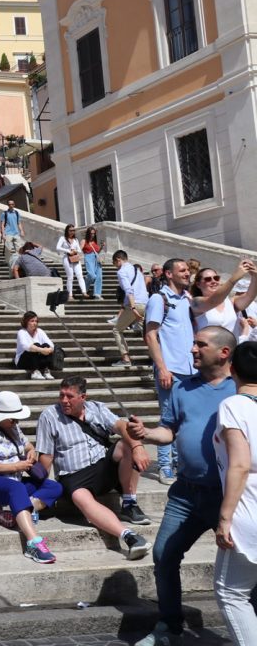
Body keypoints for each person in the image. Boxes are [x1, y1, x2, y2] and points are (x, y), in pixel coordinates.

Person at [125, 326, 236, 646]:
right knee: (164, 554)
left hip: (228, 496)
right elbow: (168, 432)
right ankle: (169, 626)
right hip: (186, 494)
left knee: (247, 561)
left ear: (224, 352)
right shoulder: (182, 388)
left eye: (201, 345)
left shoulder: (241, 389)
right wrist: (145, 433)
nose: (193, 350)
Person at [146, 259, 251, 483]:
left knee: (187, 417)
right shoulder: (159, 298)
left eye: (188, 270)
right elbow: (150, 334)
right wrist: (162, 368)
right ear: (168, 274)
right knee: (168, 417)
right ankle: (165, 466)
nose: (187, 274)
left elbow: (214, 301)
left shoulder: (186, 299)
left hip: (189, 367)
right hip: (171, 368)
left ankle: (179, 462)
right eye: (182, 270)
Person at [35, 376, 152, 560]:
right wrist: (38, 484)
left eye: (70, 396)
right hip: (73, 475)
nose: (64, 400)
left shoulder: (96, 408)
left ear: (83, 397)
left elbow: (121, 426)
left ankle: (129, 503)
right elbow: (46, 457)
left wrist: (138, 448)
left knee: (126, 443)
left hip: (102, 466)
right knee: (80, 497)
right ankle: (130, 537)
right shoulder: (49, 416)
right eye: (61, 395)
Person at [0, 391, 62, 564]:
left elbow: (28, 446)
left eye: (17, 418)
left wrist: (31, 454)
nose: (16, 422)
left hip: (12, 479)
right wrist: (17, 466)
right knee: (16, 489)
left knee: (54, 487)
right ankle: (33, 543)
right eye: (13, 418)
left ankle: (15, 512)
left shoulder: (11, 426)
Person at [213, 340, 257, 644]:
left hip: (249, 506)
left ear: (233, 370)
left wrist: (225, 518)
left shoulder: (233, 405)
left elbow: (239, 464)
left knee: (231, 592)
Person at [193, 265, 257, 339]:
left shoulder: (230, 302)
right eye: (208, 279)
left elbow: (249, 296)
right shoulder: (196, 302)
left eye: (216, 278)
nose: (213, 281)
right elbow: (213, 301)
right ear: (198, 284)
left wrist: (255, 276)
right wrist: (235, 277)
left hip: (231, 348)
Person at [14, 311, 55, 380]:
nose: (35, 323)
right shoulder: (22, 332)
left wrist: (49, 349)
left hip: (37, 360)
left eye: (36, 321)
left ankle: (46, 371)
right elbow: (26, 346)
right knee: (36, 345)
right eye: (32, 321)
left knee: (46, 345)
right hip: (23, 361)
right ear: (26, 322)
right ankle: (34, 372)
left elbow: (51, 345)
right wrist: (42, 350)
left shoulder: (40, 331)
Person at [56, 224, 88, 299]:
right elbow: (58, 247)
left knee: (80, 275)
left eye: (73, 230)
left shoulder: (75, 240)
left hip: (75, 257)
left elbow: (79, 250)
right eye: (70, 230)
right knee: (70, 276)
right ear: (67, 231)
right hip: (67, 258)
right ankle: (70, 294)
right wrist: (68, 250)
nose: (72, 232)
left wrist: (75, 250)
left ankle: (84, 292)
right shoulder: (63, 238)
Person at [81, 227, 104, 300]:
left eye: (94, 234)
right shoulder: (84, 241)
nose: (92, 235)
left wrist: (102, 247)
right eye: (91, 233)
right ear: (88, 233)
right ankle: (85, 285)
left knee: (99, 277)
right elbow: (79, 249)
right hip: (88, 258)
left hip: (96, 259)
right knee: (92, 275)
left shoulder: (94, 242)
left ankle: (97, 294)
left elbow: (97, 252)